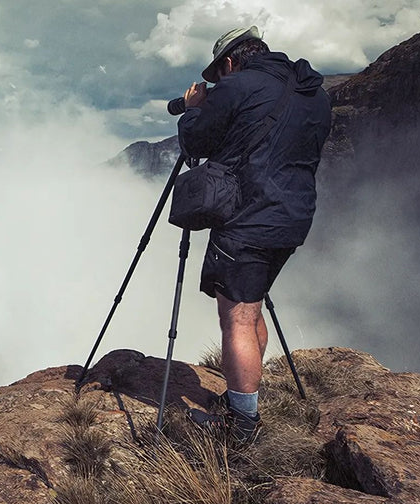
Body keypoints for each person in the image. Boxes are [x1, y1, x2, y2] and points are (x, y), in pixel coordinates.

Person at [177, 26, 332, 441]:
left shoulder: (238, 85)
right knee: (253, 305)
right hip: (294, 216)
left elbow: (195, 139)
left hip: (248, 218)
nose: (218, 82)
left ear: (229, 62)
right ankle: (244, 399)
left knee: (238, 316)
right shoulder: (314, 92)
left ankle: (241, 426)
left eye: (218, 75)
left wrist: (195, 107)